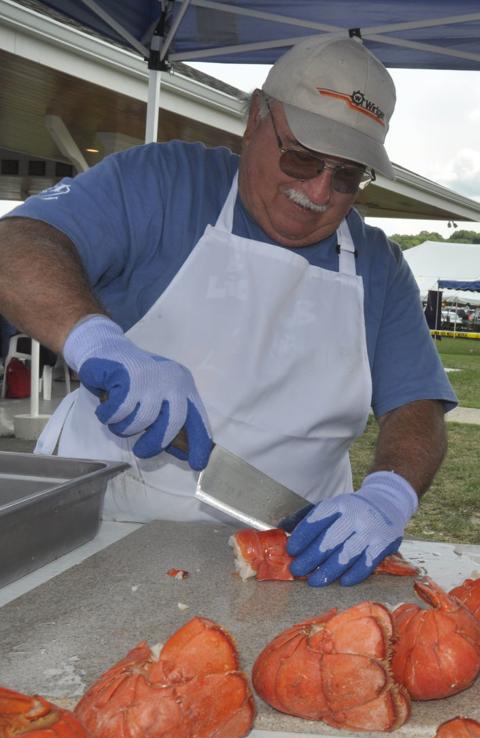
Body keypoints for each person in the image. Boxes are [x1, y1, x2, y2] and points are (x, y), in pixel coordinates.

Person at [0, 34, 455, 587]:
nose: (317, 190)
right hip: (103, 530)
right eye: (302, 157)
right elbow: (17, 244)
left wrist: (390, 494)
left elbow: (418, 407)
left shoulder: (379, 266)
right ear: (257, 118)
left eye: (346, 176)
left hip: (293, 555)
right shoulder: (164, 183)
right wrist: (99, 341)